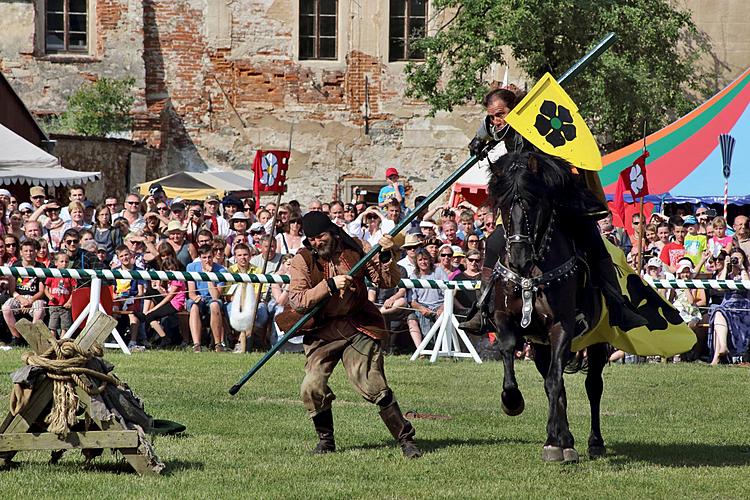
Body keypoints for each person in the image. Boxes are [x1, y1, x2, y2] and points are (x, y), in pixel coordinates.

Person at [460, 87, 647, 335]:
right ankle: (482, 308)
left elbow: (561, 163)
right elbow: (488, 127)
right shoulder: (499, 127)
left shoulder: (538, 128)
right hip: (523, 210)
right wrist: (478, 139)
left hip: (558, 201)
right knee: (494, 242)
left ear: (515, 111)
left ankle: (617, 306)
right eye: (493, 116)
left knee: (592, 241)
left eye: (501, 114)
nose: (497, 120)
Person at [284, 211, 422, 458]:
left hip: (358, 326)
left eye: (321, 236)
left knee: (371, 383)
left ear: (333, 231)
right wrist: (328, 286)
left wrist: (387, 255)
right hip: (323, 332)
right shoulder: (301, 260)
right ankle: (326, 441)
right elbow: (298, 300)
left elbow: (386, 281)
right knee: (311, 387)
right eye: (312, 238)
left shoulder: (357, 247)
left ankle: (406, 440)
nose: (317, 242)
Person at [708, 248, 750, 365]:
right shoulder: (727, 275)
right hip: (727, 306)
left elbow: (747, 285)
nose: (736, 260)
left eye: (739, 258)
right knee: (718, 311)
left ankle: (717, 356)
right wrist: (726, 267)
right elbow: (719, 287)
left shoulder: (747, 273)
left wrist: (742, 268)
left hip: (744, 307)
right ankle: (722, 348)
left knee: (719, 313)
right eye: (733, 258)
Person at [135, 255, 186, 349]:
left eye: (172, 269)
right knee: (151, 291)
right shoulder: (170, 280)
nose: (170, 272)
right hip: (171, 301)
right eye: (168, 270)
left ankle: (165, 338)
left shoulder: (177, 279)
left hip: (176, 304)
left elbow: (169, 298)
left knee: (150, 316)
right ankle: (145, 314)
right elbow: (168, 295)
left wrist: (154, 309)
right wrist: (159, 289)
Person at [186, 244, 226, 352]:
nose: (207, 260)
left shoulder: (221, 271)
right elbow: (191, 292)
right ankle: (197, 345)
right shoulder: (191, 267)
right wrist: (196, 298)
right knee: (194, 306)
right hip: (198, 298)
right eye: (204, 257)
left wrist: (209, 276)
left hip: (212, 299)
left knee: (215, 304)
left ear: (213, 256)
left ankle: (218, 344)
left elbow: (215, 295)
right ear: (200, 258)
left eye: (209, 257)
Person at [44, 252, 76, 338]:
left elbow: (74, 290)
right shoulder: (52, 274)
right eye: (62, 261)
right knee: (52, 326)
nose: (64, 264)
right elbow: (46, 289)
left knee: (65, 326)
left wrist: (69, 302)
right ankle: (52, 342)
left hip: (65, 306)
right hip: (53, 306)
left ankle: (63, 341)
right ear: (56, 263)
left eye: (66, 262)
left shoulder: (70, 276)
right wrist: (50, 297)